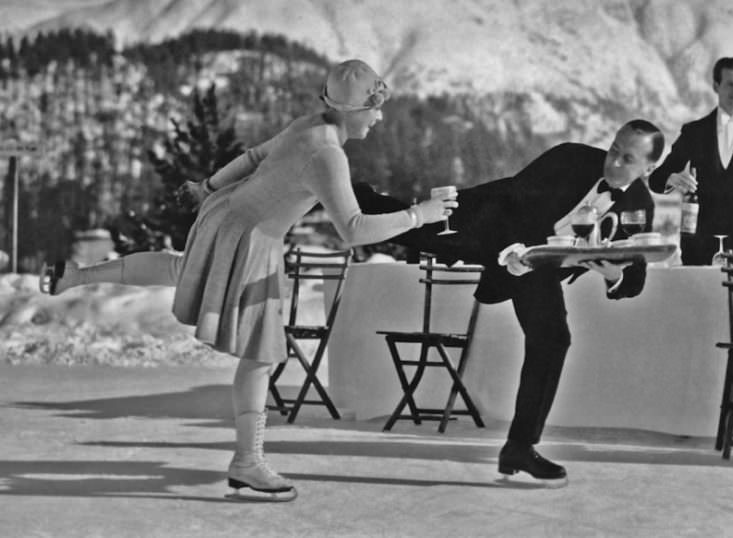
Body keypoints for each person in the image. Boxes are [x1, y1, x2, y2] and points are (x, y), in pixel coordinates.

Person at [39, 59, 456, 501]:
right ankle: (246, 462)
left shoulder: (309, 125)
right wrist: (418, 216)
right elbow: (352, 229)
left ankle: (77, 275)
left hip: (225, 214)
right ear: (354, 110)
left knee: (180, 269)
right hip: (251, 239)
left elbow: (255, 157)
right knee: (261, 353)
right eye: (375, 107)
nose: (379, 116)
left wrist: (207, 185)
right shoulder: (328, 154)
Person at [354, 119, 662, 484]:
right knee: (404, 224)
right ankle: (337, 193)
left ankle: (519, 446)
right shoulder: (570, 157)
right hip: (484, 223)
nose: (614, 163)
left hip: (538, 268)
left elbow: (635, 276)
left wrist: (613, 274)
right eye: (613, 150)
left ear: (649, 168)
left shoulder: (639, 206)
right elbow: (517, 201)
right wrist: (516, 251)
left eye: (628, 159)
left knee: (553, 339)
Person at [648, 56, 733, 265]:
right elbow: (656, 179)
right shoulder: (693, 132)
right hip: (698, 241)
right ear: (716, 86)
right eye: (730, 84)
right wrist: (672, 179)